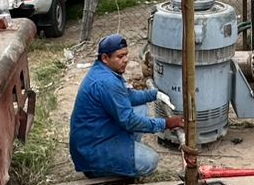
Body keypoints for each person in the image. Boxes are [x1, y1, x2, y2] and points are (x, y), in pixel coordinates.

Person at [68, 33, 184, 177]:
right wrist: (166, 123)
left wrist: (154, 94)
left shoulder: (105, 71)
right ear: (105, 58)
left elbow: (128, 97)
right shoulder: (106, 82)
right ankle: (98, 170)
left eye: (126, 54)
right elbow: (129, 121)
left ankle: (124, 154)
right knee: (150, 161)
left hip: (98, 134)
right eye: (120, 56)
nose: (126, 60)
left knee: (141, 108)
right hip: (93, 148)